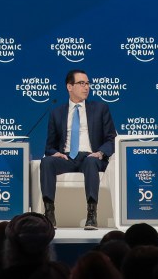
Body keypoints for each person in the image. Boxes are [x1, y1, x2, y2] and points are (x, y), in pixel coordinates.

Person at [40, 69, 117, 230]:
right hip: (67, 158)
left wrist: (100, 153)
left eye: (88, 83)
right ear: (69, 87)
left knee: (90, 162)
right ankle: (49, 213)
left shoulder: (100, 108)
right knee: (47, 162)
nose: (86, 87)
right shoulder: (56, 113)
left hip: (92, 157)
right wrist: (56, 153)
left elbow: (111, 139)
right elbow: (49, 146)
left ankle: (91, 214)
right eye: (81, 83)